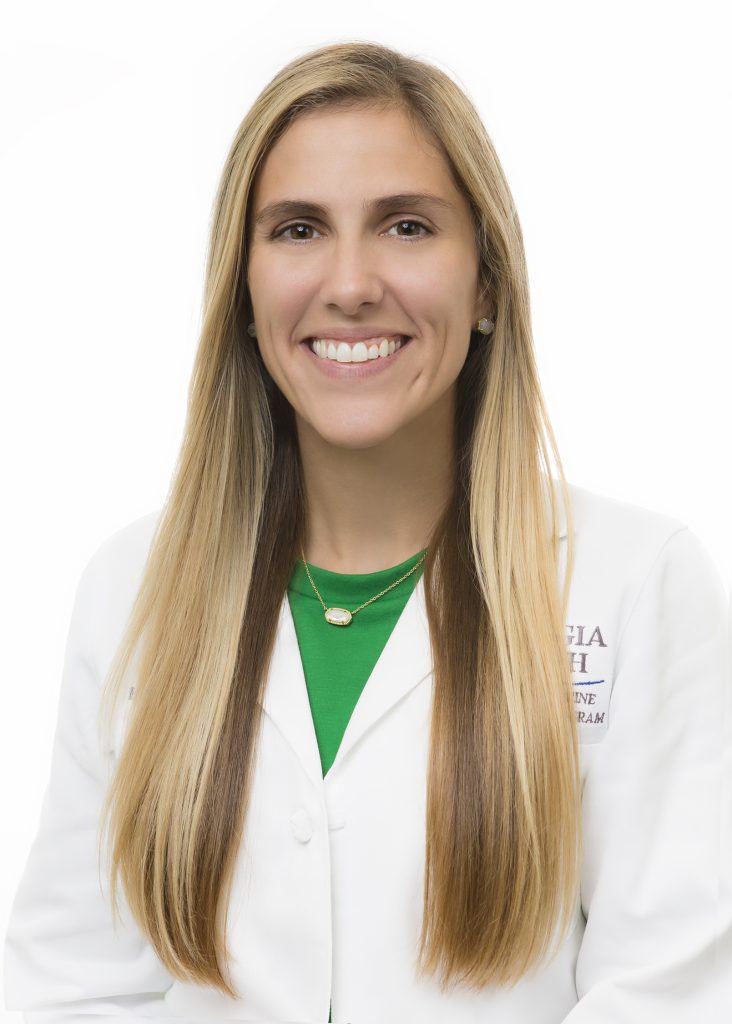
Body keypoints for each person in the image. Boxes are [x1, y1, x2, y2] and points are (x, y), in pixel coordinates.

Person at [4, 40, 731, 1024]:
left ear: (485, 281)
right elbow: (70, 989)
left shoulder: (635, 584)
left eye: (406, 226)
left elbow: (669, 995)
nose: (350, 283)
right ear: (244, 287)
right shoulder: (132, 586)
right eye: (299, 229)